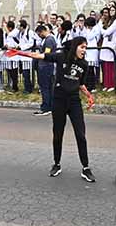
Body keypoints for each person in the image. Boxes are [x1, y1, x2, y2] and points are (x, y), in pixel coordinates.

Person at [11, 37, 96, 182]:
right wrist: (19, 53)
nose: (84, 50)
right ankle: (57, 164)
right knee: (58, 134)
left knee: (81, 135)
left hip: (74, 102)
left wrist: (89, 96)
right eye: (82, 47)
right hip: (59, 100)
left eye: (86, 47)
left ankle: (86, 168)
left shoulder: (84, 64)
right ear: (75, 46)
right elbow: (40, 55)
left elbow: (81, 84)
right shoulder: (61, 57)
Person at [35, 24, 57, 115]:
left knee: (45, 87)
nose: (39, 36)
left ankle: (46, 107)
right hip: (45, 66)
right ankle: (49, 106)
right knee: (47, 87)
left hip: (46, 66)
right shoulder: (46, 40)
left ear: (42, 31)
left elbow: (47, 53)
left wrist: (39, 51)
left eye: (39, 34)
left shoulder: (49, 40)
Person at [99, 5, 116, 91]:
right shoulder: (109, 21)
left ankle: (112, 84)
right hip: (106, 44)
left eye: (113, 10)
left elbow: (106, 33)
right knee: (106, 66)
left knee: (111, 66)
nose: (111, 12)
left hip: (112, 45)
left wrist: (101, 27)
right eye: (110, 10)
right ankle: (107, 84)